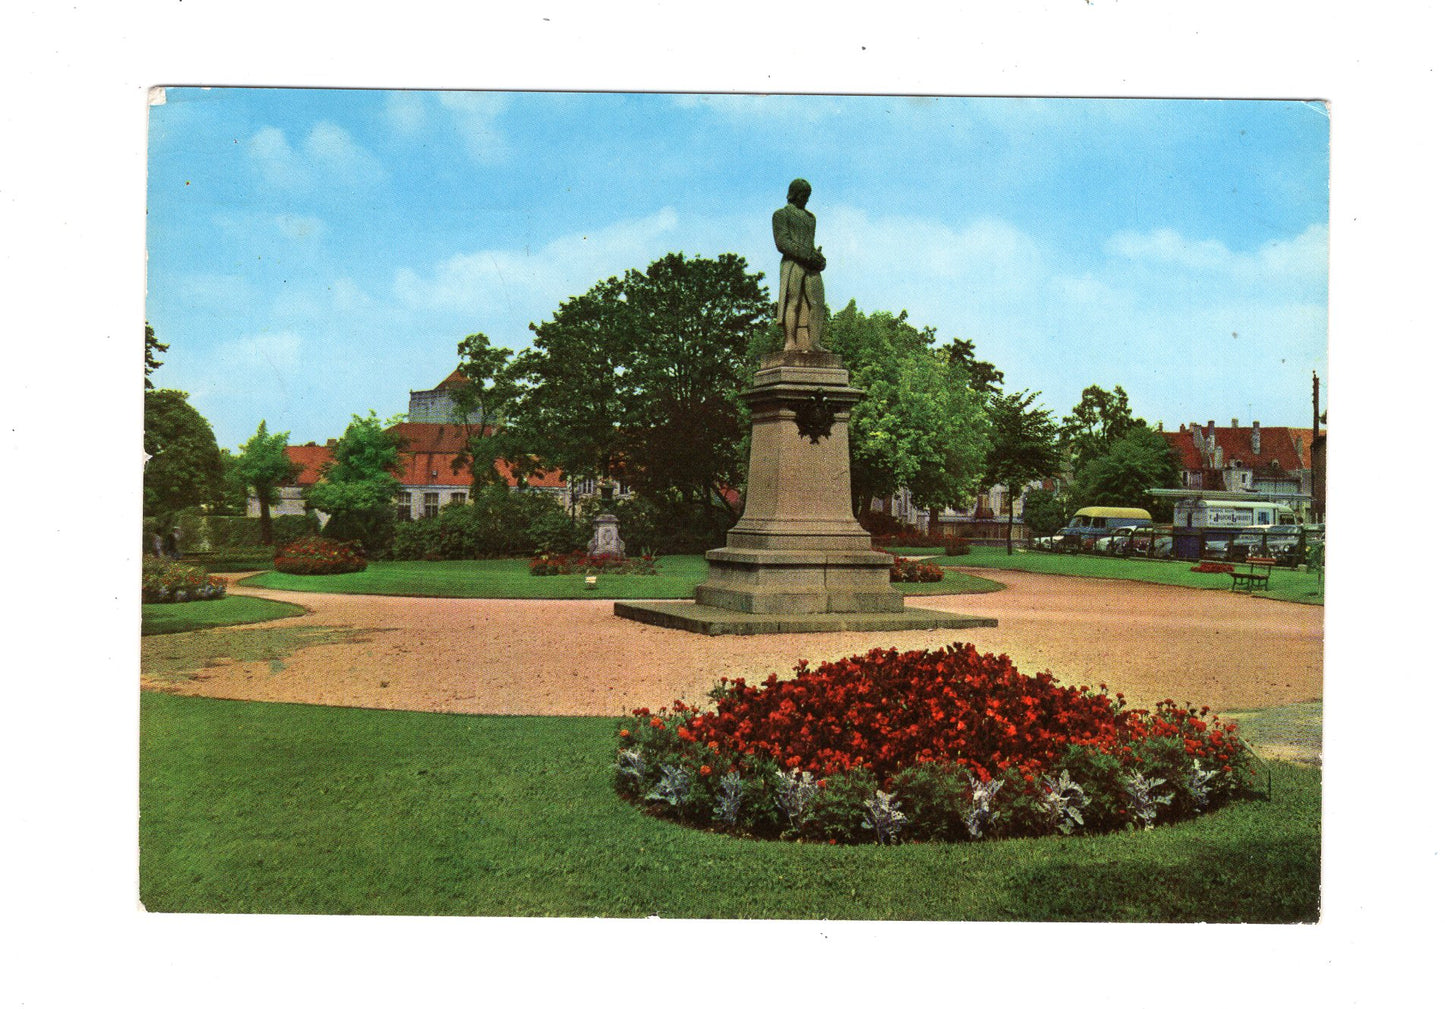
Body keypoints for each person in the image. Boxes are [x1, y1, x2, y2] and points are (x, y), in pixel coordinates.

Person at [772, 178, 827, 352]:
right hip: (793, 263)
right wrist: (807, 255)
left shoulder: (811, 218)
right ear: (794, 194)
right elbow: (782, 243)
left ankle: (814, 343)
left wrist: (818, 258)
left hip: (810, 266)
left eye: (808, 195)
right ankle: (790, 341)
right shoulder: (781, 214)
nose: (806, 199)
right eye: (804, 195)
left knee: (818, 303)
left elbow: (811, 244)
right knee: (793, 301)